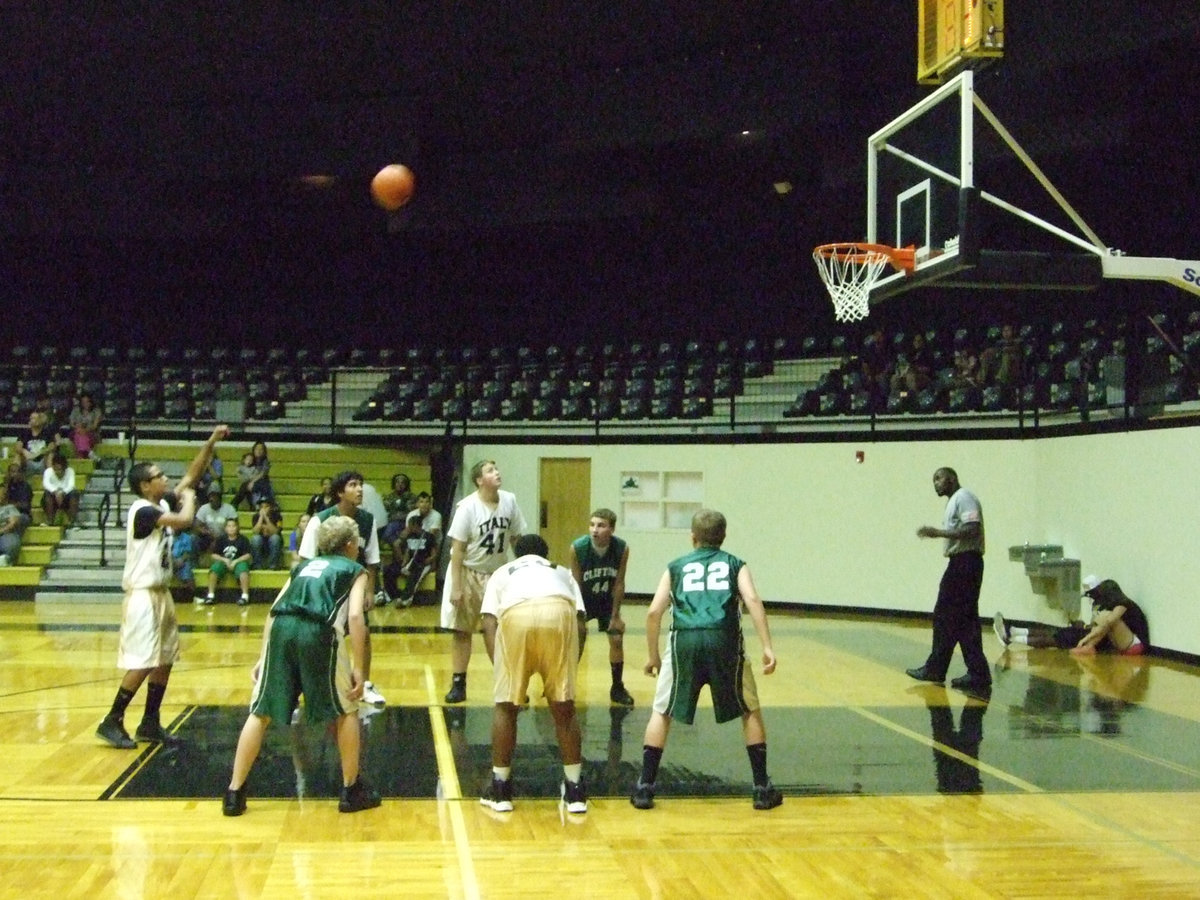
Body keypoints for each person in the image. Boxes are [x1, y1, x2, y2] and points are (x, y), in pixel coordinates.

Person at [222, 514, 380, 817]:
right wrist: (359, 668)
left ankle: (234, 792)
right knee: (347, 707)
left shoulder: (302, 567)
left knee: (261, 710)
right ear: (350, 545)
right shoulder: (355, 569)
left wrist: (263, 654)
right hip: (317, 632)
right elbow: (357, 618)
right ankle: (351, 790)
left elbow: (273, 610)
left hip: (282, 629)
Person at [630, 509, 783, 811]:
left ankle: (645, 787)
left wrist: (652, 655)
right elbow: (752, 600)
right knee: (749, 708)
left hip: (684, 639)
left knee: (662, 710)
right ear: (723, 537)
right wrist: (767, 645)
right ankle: (762, 788)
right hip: (723, 638)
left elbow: (652, 613)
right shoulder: (734, 564)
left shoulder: (675, 566)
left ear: (692, 536)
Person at [96, 424, 228, 749]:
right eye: (158, 476)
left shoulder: (161, 504)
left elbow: (190, 477)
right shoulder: (141, 510)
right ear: (145, 484)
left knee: (165, 657)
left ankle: (150, 722)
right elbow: (185, 519)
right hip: (142, 595)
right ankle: (111, 720)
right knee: (142, 660)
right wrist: (191, 500)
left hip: (161, 593)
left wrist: (209, 442)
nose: (165, 479)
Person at [479, 534, 588, 813]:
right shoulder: (561, 571)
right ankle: (575, 791)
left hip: (517, 613)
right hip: (559, 611)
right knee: (564, 707)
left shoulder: (503, 572)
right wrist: (569, 666)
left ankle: (500, 790)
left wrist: (502, 669)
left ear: (517, 553)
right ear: (546, 553)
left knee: (506, 707)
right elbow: (581, 621)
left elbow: (488, 622)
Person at [441, 459, 527, 704]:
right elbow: (457, 550)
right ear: (479, 480)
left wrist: (523, 569)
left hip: (498, 575)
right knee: (461, 630)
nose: (497, 472)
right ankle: (459, 683)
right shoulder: (467, 507)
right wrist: (457, 587)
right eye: (490, 470)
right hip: (468, 571)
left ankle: (508, 682)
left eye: (496, 468)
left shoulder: (509, 500)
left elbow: (516, 540)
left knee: (499, 631)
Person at [299, 470, 386, 707]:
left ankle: (365, 684)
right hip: (325, 590)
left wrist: (370, 591)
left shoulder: (367, 520)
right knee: (318, 639)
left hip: (353, 588)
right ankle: (307, 687)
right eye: (353, 485)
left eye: (361, 484)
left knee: (364, 635)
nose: (359, 489)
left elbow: (373, 560)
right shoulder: (320, 519)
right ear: (340, 492)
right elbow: (304, 559)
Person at [906, 467, 991, 696]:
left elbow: (973, 529)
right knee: (964, 621)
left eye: (939, 478)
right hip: (962, 563)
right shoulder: (955, 500)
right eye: (933, 480)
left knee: (945, 615)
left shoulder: (964, 498)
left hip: (965, 563)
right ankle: (977, 672)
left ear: (951, 478)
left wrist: (939, 533)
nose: (935, 484)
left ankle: (937, 668)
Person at [568, 507, 635, 706]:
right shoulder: (577, 548)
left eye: (601, 525)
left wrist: (616, 614)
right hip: (584, 598)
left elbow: (619, 583)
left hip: (606, 599)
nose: (594, 529)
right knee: (577, 637)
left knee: (616, 637)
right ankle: (568, 684)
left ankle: (617, 687)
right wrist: (578, 614)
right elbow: (576, 584)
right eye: (592, 525)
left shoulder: (621, 548)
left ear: (611, 530)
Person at [994, 575, 1149, 655]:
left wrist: (1087, 639)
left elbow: (1106, 624)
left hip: (1131, 645)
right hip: (1114, 639)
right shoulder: (1111, 606)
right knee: (1060, 633)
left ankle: (1013, 636)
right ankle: (1013, 631)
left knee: (1059, 637)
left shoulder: (1121, 605)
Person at [207, 517, 252, 606]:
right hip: (224, 562)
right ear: (225, 528)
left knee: (243, 570)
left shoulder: (243, 539)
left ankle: (245, 596)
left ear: (237, 527)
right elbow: (214, 554)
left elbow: (248, 555)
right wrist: (224, 560)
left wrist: (236, 561)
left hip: (238, 562)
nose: (231, 528)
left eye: (233, 526)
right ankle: (210, 595)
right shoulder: (221, 539)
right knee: (214, 569)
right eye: (229, 526)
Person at [41, 451, 81, 528]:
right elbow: (46, 484)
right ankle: (50, 520)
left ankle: (73, 521)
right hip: (53, 498)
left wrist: (62, 493)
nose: (58, 472)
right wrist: (55, 492)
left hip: (66, 498)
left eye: (60, 469)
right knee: (47, 494)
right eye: (56, 469)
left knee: (74, 493)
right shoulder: (48, 471)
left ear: (65, 468)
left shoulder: (70, 471)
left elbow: (71, 485)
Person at [194, 487, 237, 558]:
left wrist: (218, 539)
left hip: (225, 537)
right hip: (208, 537)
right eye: (211, 496)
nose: (212, 498)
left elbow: (235, 526)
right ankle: (196, 561)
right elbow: (197, 526)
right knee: (194, 539)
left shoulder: (229, 509)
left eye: (215, 496)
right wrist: (206, 532)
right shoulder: (203, 508)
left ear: (220, 497)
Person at [14, 411, 59, 475]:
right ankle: (14, 479)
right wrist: (24, 451)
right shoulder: (25, 433)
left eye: (37, 418)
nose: (36, 420)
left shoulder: (47, 432)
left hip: (43, 462)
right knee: (17, 455)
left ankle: (51, 479)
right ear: (29, 421)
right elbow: (17, 447)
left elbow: (52, 447)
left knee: (51, 454)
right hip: (28, 462)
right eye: (33, 418)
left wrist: (36, 454)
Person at [380, 473, 417, 547]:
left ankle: (397, 544)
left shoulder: (412, 497)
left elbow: (411, 511)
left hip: (407, 523)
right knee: (387, 534)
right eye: (397, 482)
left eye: (403, 482)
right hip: (392, 523)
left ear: (406, 485)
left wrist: (403, 499)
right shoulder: (389, 497)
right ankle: (396, 543)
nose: (400, 485)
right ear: (394, 484)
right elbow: (386, 509)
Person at [249, 499, 283, 569]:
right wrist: (261, 518)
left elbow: (276, 532)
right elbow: (255, 531)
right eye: (262, 507)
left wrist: (266, 518)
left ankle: (273, 566)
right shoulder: (255, 516)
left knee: (275, 538)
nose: (263, 509)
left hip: (274, 544)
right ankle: (257, 566)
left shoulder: (278, 516)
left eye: (266, 507)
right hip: (261, 543)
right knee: (255, 539)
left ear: (270, 507)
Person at [0, 480, 28, 566]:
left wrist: (1, 531)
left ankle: (5, 560)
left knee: (11, 544)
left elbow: (12, 523)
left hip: (6, 533)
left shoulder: (9, 507)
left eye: (2, 494)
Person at [68, 393, 103, 460]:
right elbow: (71, 423)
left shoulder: (96, 411)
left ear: (91, 402)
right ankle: (89, 452)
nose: (85, 404)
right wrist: (78, 428)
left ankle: (81, 456)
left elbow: (95, 426)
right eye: (83, 402)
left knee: (81, 435)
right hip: (77, 431)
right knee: (78, 434)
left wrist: (85, 430)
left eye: (87, 402)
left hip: (91, 432)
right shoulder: (76, 410)